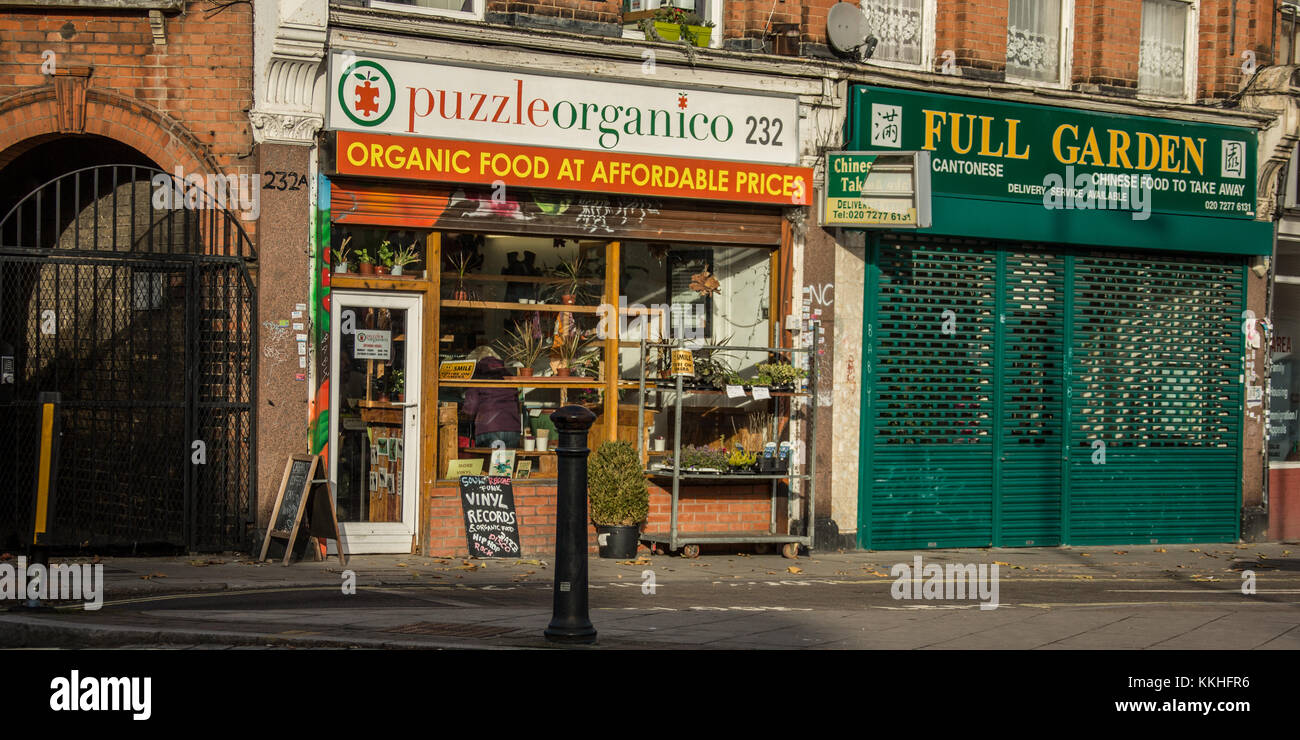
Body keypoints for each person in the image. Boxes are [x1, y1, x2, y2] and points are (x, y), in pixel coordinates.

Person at [460, 356, 521, 448]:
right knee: (508, 461)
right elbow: (517, 403)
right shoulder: (509, 377)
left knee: (489, 461)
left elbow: (470, 409)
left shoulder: (479, 378)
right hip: (512, 429)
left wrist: (463, 413)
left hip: (489, 428)